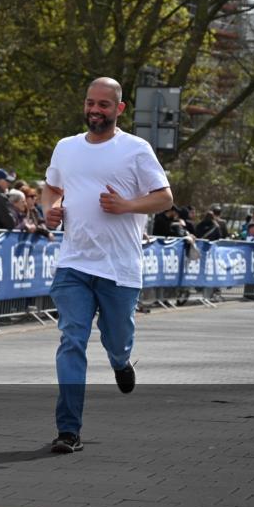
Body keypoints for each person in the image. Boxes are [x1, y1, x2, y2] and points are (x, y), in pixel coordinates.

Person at [42, 77, 173, 454]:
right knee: (72, 340)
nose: (94, 110)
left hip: (119, 268)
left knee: (116, 338)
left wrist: (128, 206)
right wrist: (49, 209)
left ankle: (120, 361)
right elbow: (52, 186)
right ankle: (68, 430)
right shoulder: (66, 148)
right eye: (89, 103)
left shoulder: (136, 149)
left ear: (119, 109)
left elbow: (164, 197)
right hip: (73, 264)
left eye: (103, 104)